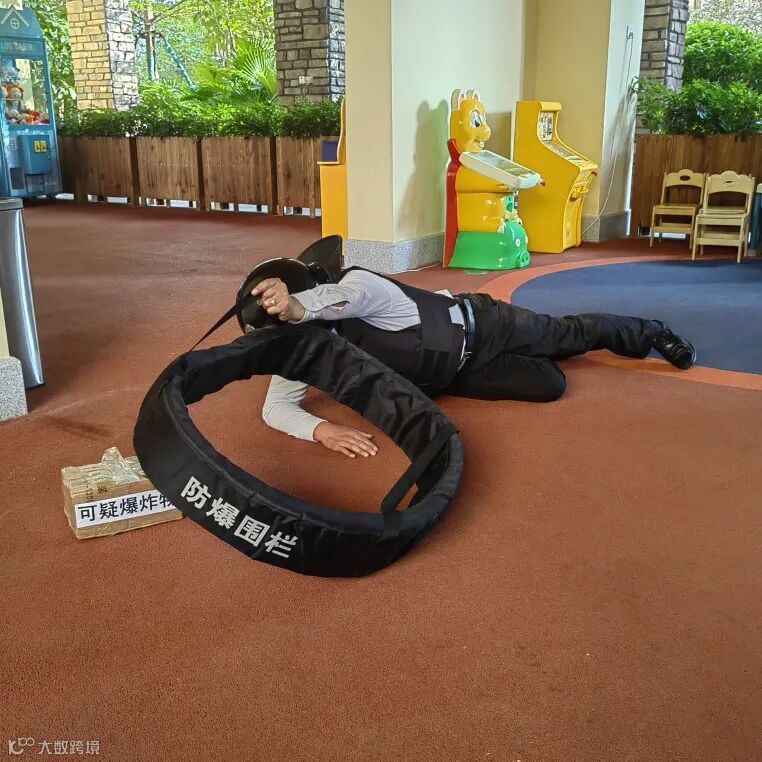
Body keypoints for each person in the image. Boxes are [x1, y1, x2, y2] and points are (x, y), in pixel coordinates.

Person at [249, 250, 695, 459]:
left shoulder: (358, 287)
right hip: (452, 375)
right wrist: (321, 430)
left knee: (568, 336)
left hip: (484, 323)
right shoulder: (302, 346)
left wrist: (297, 307)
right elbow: (275, 408)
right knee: (550, 385)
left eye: (290, 318)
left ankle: (652, 332)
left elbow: (337, 301)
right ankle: (542, 351)